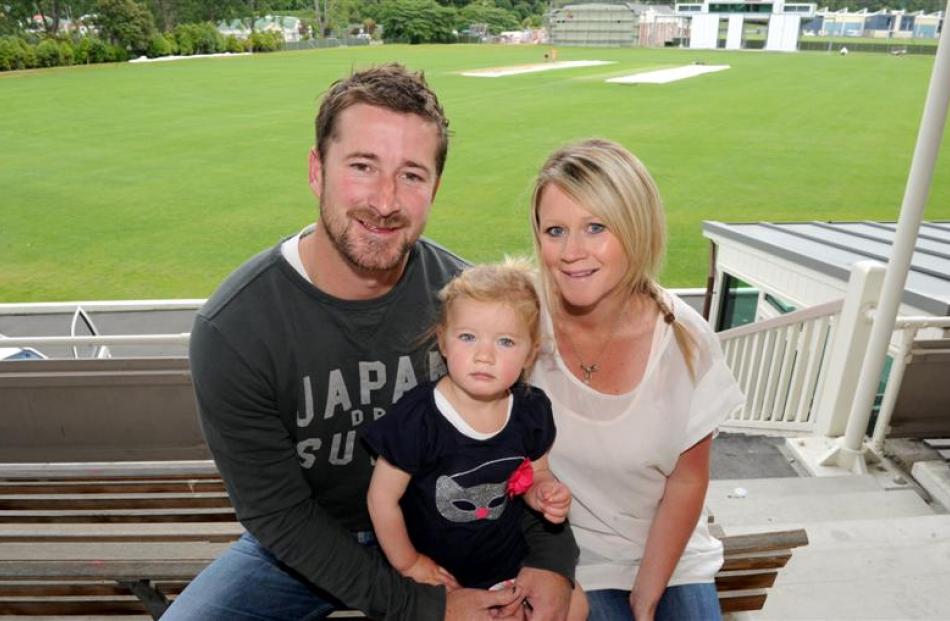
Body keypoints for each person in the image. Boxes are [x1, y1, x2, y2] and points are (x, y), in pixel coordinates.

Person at [163, 64, 577, 621]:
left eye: (411, 175)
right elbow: (280, 517)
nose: (385, 202)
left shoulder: (468, 310)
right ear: (317, 171)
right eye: (362, 166)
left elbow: (517, 451)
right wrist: (423, 606)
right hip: (306, 548)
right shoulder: (235, 329)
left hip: (452, 536)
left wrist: (553, 561)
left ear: (435, 187)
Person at [528, 139, 745, 621]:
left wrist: (648, 593)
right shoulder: (520, 327)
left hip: (672, 556)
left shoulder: (686, 340)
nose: (571, 252)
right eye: (555, 230)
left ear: (636, 228)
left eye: (596, 228)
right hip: (575, 561)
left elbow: (688, 480)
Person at [362, 263, 582, 615]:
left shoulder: (529, 409)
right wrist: (409, 564)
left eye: (506, 341)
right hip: (435, 571)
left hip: (506, 562)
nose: (484, 355)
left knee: (577, 606)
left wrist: (543, 493)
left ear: (529, 353)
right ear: (443, 341)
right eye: (468, 337)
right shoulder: (418, 418)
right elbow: (381, 500)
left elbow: (535, 472)